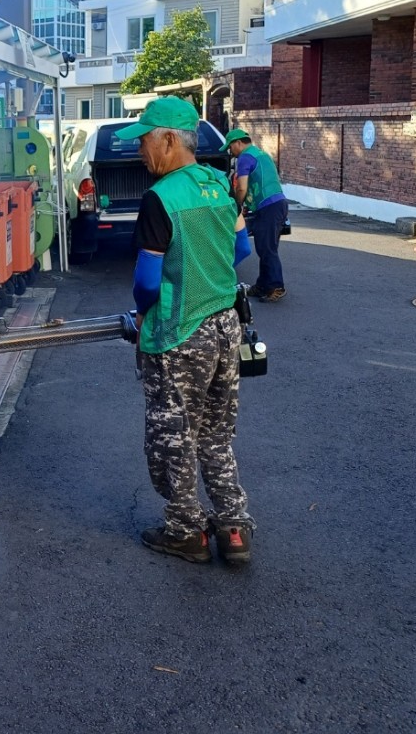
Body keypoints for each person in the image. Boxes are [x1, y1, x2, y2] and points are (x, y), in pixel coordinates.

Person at [120, 97, 255, 564]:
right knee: (216, 433)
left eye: (145, 140)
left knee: (173, 435)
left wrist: (141, 315)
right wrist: (206, 276)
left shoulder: (161, 198)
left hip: (180, 336)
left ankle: (186, 532)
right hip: (225, 325)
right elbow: (240, 248)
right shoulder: (219, 184)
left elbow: (147, 282)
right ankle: (234, 529)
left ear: (170, 140)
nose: (140, 151)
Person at [225, 129, 288, 303]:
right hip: (278, 204)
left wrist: (237, 205)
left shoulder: (245, 157)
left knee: (267, 249)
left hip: (269, 207)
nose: (231, 153)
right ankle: (263, 285)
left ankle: (276, 286)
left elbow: (242, 188)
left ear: (238, 142)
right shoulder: (261, 154)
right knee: (265, 246)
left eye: (231, 147)